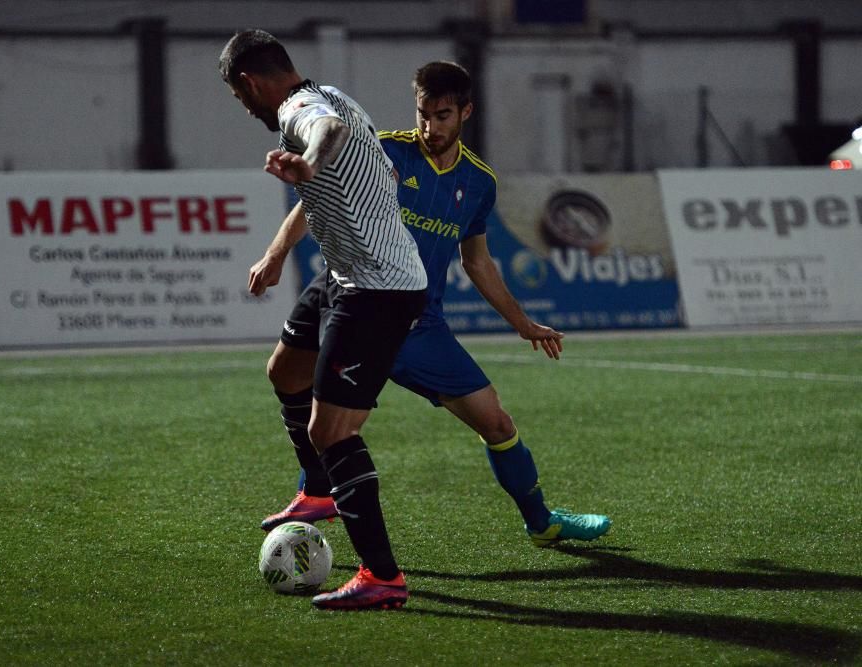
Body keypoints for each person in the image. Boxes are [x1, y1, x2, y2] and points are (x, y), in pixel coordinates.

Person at [249, 61, 611, 557]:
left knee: (498, 424)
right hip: (357, 303)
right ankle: (319, 498)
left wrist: (521, 323)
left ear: (466, 112)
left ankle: (541, 522)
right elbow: (316, 198)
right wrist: (276, 252)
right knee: (310, 402)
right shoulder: (386, 151)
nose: (430, 127)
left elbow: (477, 261)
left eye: (442, 116)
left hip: (421, 327)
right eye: (423, 114)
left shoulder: (479, 182)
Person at [219, 30, 428, 611]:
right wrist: (278, 251)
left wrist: (307, 160)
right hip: (344, 273)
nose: (248, 108)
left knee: (332, 430)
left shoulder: (300, 111)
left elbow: (324, 139)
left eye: (242, 99)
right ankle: (319, 491)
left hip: (377, 288)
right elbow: (342, 185)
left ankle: (381, 577)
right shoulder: (334, 94)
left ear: (250, 84)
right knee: (285, 371)